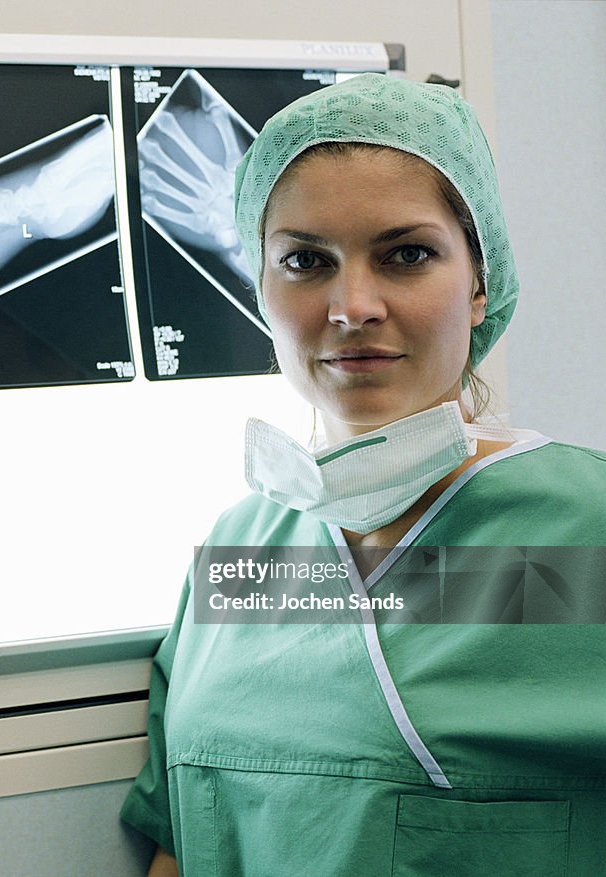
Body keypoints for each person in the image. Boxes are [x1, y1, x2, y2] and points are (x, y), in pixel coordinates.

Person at [120, 73, 606, 877]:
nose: (351, 304)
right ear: (260, 289)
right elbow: (179, 843)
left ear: (480, 284)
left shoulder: (583, 536)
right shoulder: (242, 556)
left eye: (406, 254)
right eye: (305, 260)